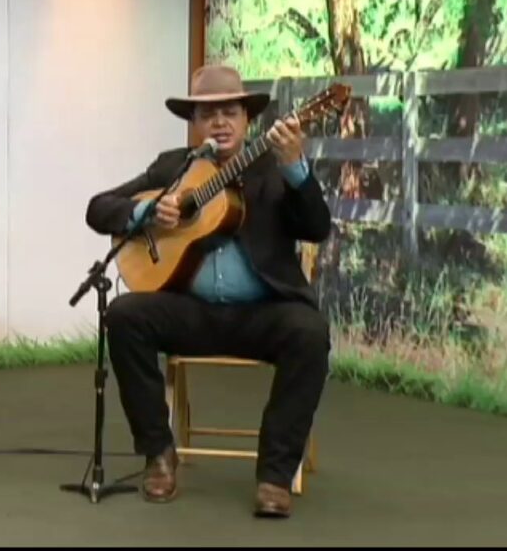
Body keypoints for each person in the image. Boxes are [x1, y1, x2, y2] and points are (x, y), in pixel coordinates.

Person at [85, 65, 332, 518]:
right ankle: (159, 454)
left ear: (247, 121)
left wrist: (297, 168)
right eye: (208, 114)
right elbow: (98, 208)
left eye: (230, 112)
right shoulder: (173, 167)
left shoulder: (276, 168)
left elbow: (318, 228)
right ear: (193, 124)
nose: (220, 122)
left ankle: (276, 475)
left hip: (261, 313)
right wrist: (145, 211)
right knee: (123, 315)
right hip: (190, 310)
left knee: (310, 332)